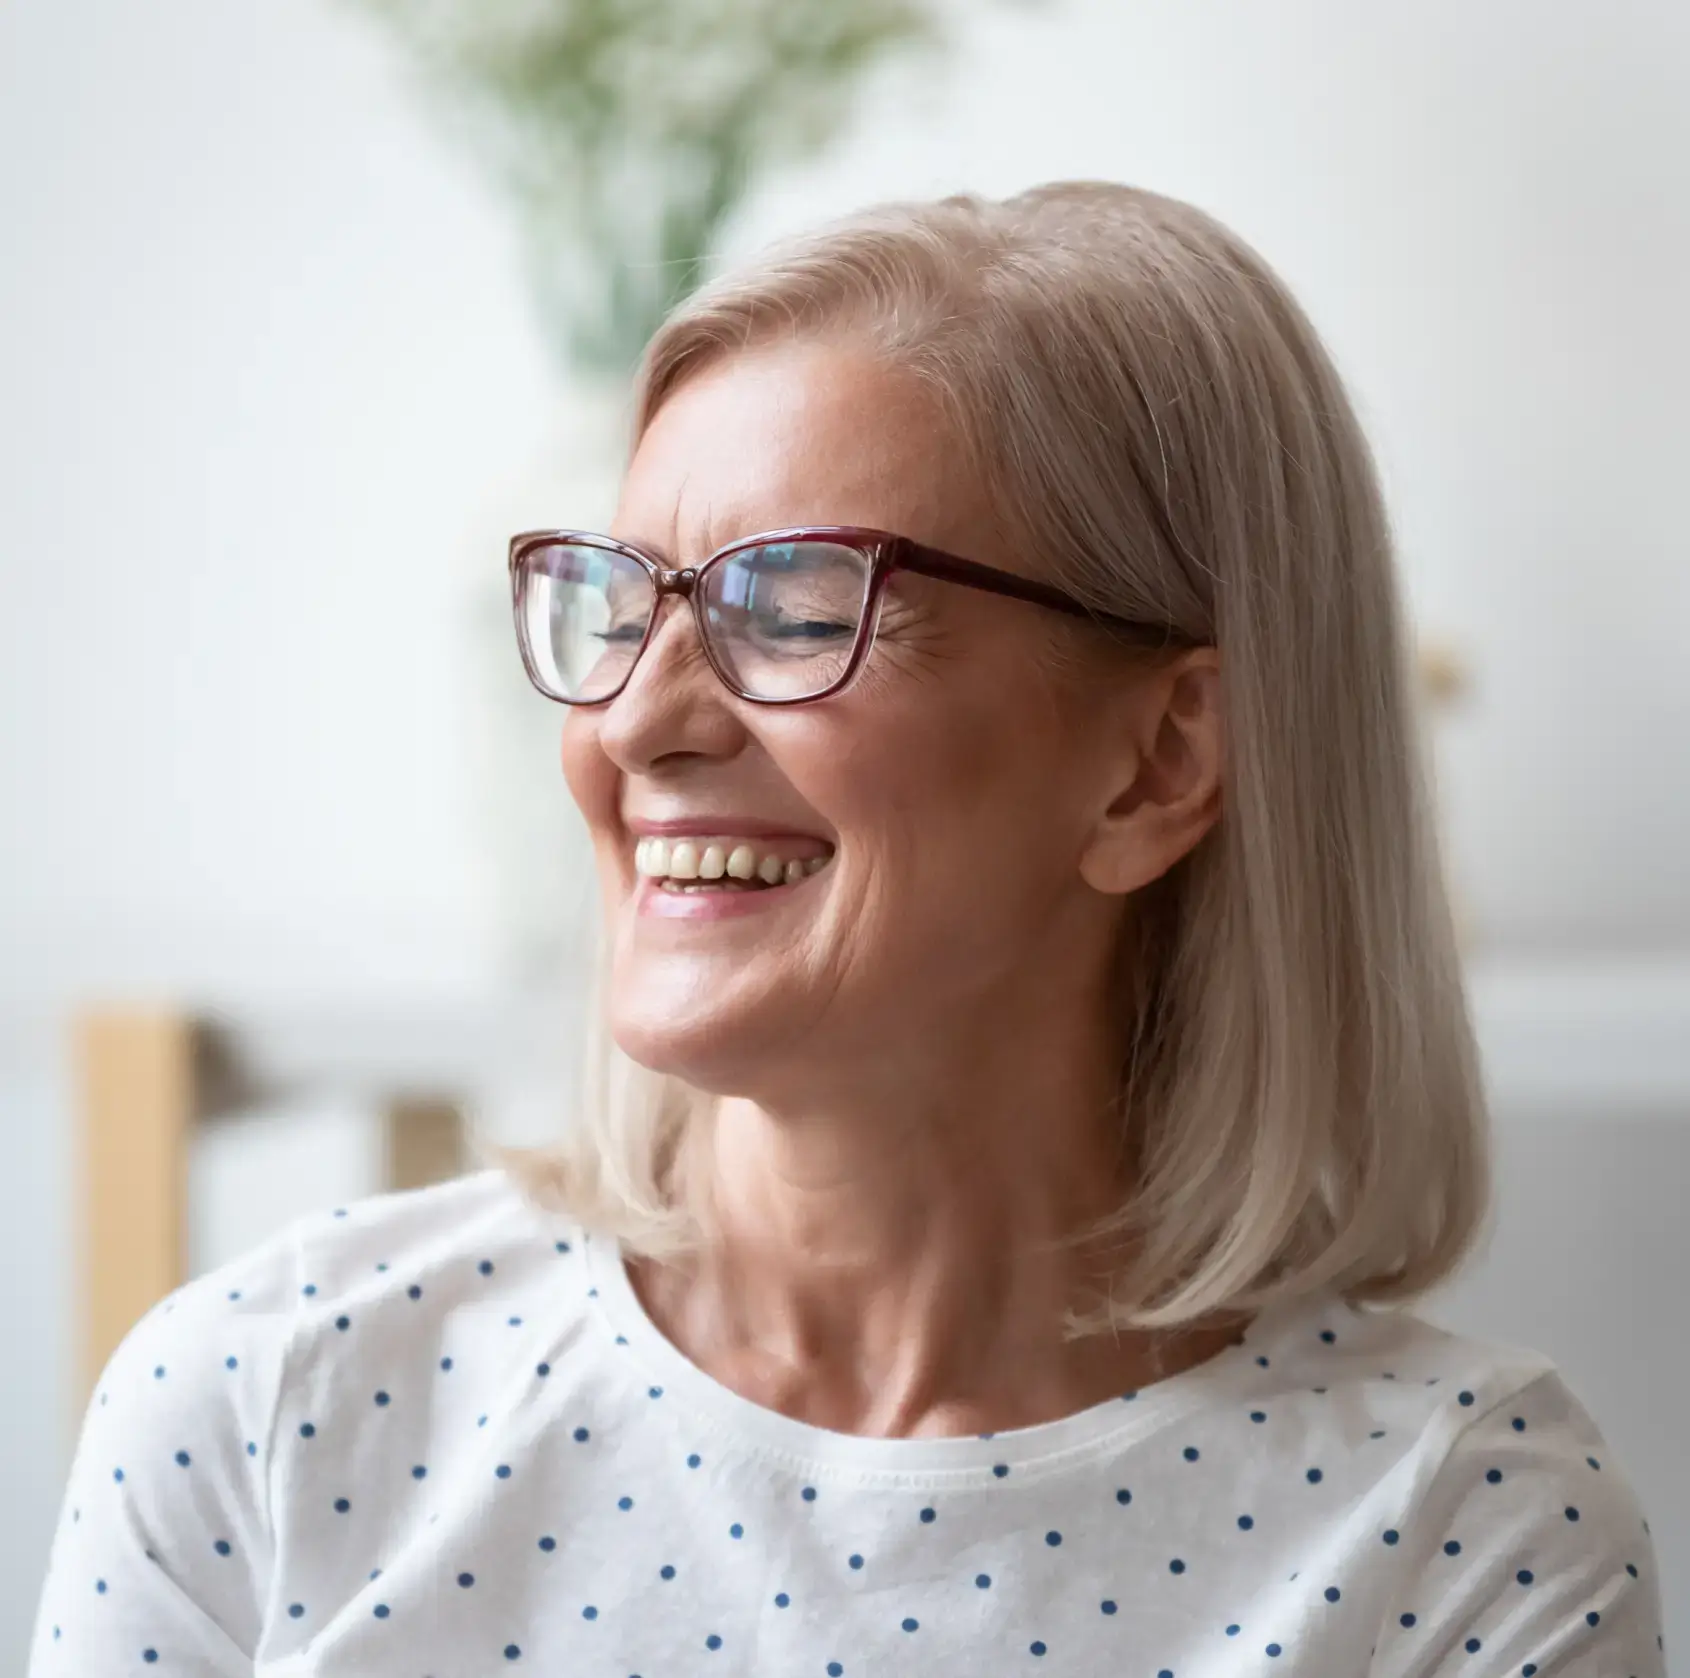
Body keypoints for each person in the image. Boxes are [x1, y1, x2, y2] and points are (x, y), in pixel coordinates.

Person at [32, 181, 1663, 1677]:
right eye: (622, 602)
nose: (637, 723)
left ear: (1158, 762)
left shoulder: (1459, 1539)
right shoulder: (268, 1405)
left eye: (795, 606)